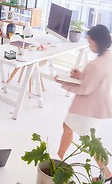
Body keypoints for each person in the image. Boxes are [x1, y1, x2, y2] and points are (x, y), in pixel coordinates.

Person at [56, 25, 112, 182]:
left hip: (86, 108)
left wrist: (63, 81)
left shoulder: (96, 64)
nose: (89, 45)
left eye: (90, 42)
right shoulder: (108, 57)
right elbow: (95, 80)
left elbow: (85, 88)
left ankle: (106, 172)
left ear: (98, 42)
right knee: (74, 131)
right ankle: (59, 159)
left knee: (89, 141)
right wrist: (82, 75)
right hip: (96, 106)